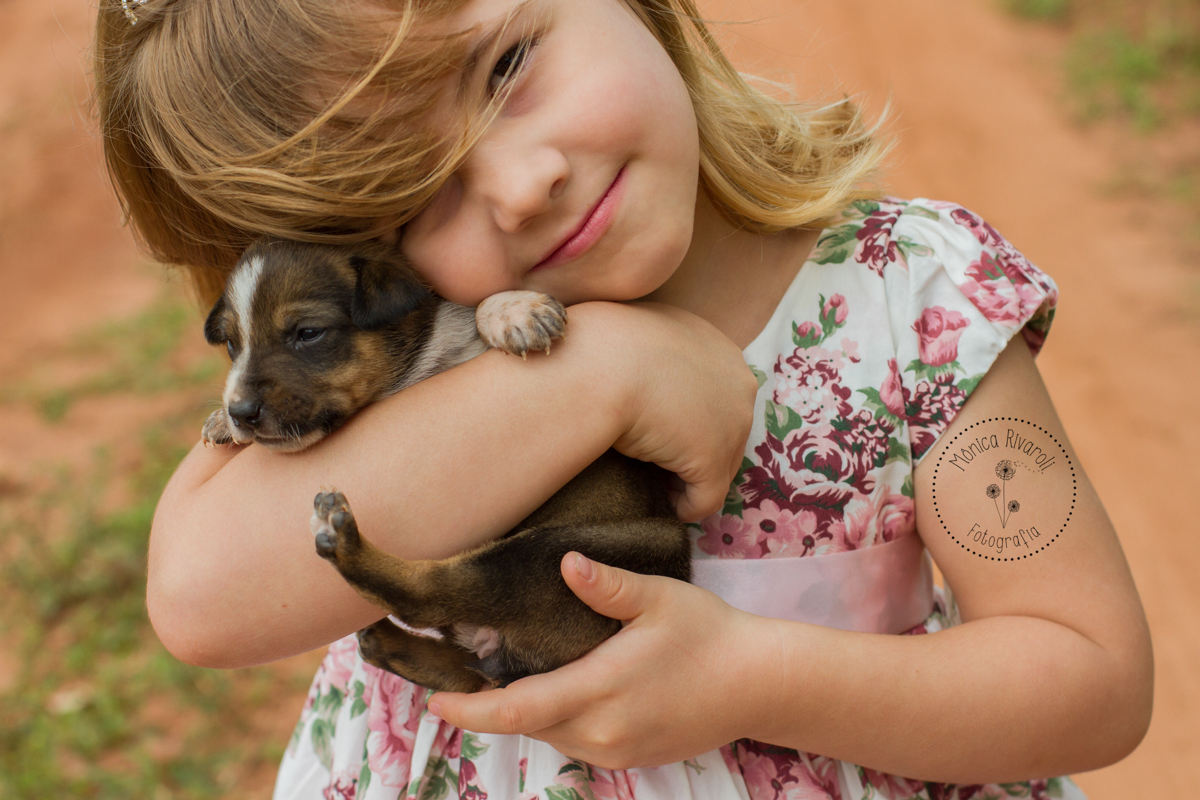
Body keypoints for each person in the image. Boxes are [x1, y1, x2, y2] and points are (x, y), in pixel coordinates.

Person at [94, 0, 1153, 798]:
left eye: (507, 65)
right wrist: (604, 374)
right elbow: (197, 594)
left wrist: (753, 675)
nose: (519, 182)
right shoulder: (403, 358)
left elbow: (1090, 673)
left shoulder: (906, 299)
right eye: (415, 195)